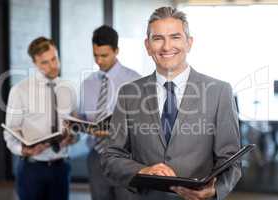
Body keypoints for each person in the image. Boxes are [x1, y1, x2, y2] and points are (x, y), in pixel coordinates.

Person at [101, 7, 241, 200]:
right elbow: (111, 157)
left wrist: (215, 190)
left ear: (189, 43)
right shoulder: (128, 93)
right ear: (148, 46)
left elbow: (231, 160)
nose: (166, 47)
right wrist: (143, 171)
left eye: (175, 37)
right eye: (158, 38)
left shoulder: (219, 92)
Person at [4, 37, 78, 200]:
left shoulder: (69, 88)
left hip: (61, 167)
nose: (53, 66)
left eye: (54, 58)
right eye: (45, 63)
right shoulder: (20, 91)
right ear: (35, 63)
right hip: (32, 169)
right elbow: (10, 134)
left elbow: (75, 124)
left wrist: (73, 136)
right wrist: (24, 150)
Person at [77, 25, 141, 200]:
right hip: (96, 158)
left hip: (126, 158)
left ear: (116, 51)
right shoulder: (87, 84)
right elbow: (84, 118)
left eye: (104, 55)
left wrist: (115, 130)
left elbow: (144, 123)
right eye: (95, 55)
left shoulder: (134, 80)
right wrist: (77, 121)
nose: (99, 61)